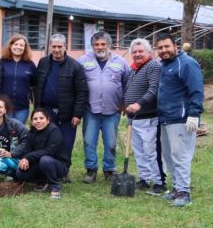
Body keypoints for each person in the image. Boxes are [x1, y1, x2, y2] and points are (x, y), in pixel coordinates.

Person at [155, 33, 204, 208]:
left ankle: (184, 193)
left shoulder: (187, 63)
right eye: (160, 48)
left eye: (167, 47)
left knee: (180, 156)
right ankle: (176, 189)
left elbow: (196, 90)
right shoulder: (164, 65)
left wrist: (194, 114)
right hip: (166, 118)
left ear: (175, 46)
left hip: (181, 119)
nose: (163, 50)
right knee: (168, 156)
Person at [77, 31, 130, 183]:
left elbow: (127, 84)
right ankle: (91, 170)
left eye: (103, 44)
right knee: (89, 141)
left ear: (109, 45)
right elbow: (77, 84)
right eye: (96, 44)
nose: (100, 47)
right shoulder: (83, 61)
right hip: (90, 110)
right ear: (92, 46)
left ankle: (109, 170)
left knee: (111, 142)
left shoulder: (120, 62)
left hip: (112, 110)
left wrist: (125, 103)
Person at [34, 33, 88, 164]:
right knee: (46, 141)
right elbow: (37, 85)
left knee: (66, 142)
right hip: (46, 111)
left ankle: (64, 170)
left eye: (60, 46)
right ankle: (46, 169)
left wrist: (77, 114)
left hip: (67, 113)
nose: (56, 50)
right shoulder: (43, 63)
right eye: (54, 46)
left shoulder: (75, 66)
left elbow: (82, 92)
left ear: (65, 46)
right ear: (50, 47)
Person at [124, 38, 164, 195]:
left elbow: (154, 89)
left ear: (149, 52)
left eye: (141, 51)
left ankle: (159, 182)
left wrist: (138, 104)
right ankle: (145, 179)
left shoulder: (153, 66)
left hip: (148, 117)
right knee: (139, 151)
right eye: (134, 52)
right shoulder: (134, 68)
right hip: (134, 118)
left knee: (151, 151)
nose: (137, 54)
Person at [11, 109, 70, 199]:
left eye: (41, 118)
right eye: (35, 119)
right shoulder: (31, 133)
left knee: (45, 160)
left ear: (48, 120)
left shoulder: (54, 130)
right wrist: (24, 159)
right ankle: (42, 181)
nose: (38, 121)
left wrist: (28, 157)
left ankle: (55, 187)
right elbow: (27, 150)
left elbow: (49, 151)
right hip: (40, 163)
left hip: (59, 165)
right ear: (32, 121)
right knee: (20, 173)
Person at [0, 34, 37, 124]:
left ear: (25, 48)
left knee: (17, 134)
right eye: (16, 44)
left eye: (21, 45)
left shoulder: (30, 65)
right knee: (5, 133)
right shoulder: (2, 62)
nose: (18, 47)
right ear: (11, 46)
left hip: (22, 108)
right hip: (4, 107)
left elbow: (34, 85)